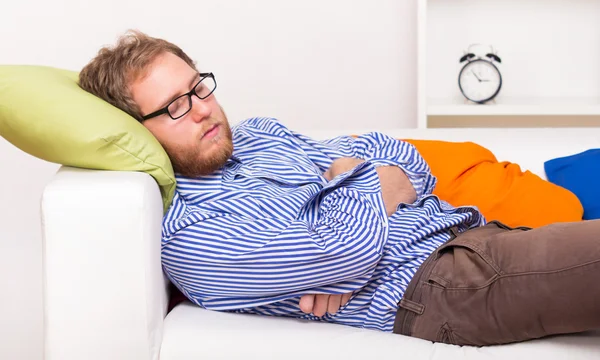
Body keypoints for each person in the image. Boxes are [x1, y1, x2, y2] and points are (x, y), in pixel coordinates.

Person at [78, 30, 600, 347]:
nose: (202, 108)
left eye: (198, 87)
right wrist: (360, 197)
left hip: (477, 234)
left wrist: (352, 194)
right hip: (443, 287)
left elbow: (407, 160)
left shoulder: (260, 135)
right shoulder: (193, 235)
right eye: (174, 106)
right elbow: (344, 250)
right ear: (134, 131)